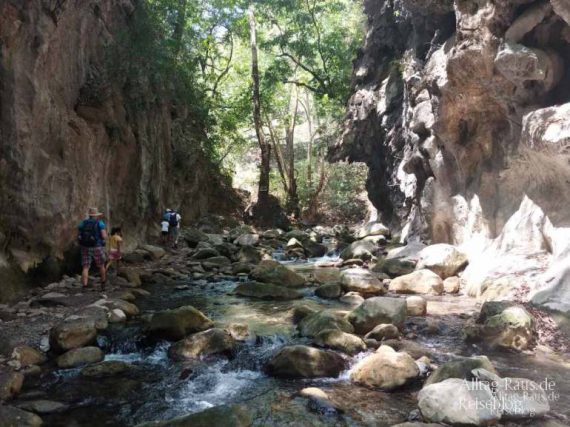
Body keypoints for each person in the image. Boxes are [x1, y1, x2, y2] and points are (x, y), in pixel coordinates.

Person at [78, 207, 108, 290]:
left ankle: (84, 286)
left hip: (85, 247)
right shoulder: (100, 223)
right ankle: (103, 284)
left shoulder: (83, 223)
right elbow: (104, 236)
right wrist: (105, 238)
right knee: (101, 265)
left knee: (85, 267)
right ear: (96, 215)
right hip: (97, 246)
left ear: (90, 215)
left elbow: (79, 233)